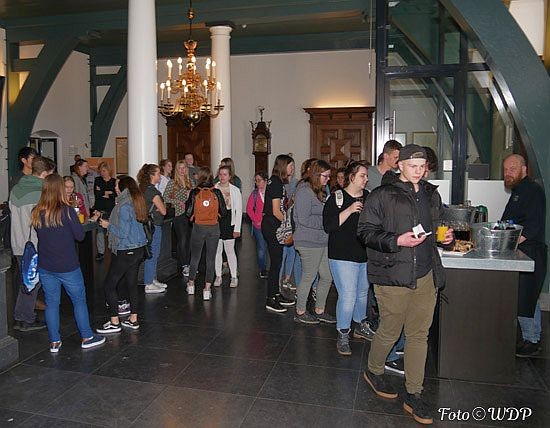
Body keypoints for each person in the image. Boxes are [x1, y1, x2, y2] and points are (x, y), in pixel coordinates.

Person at [357, 144, 453, 425]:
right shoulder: (381, 195)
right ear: (399, 165)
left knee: (418, 335)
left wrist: (440, 236)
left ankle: (414, 393)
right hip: (392, 276)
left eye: (422, 166)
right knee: (389, 329)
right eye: (413, 166)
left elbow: (431, 229)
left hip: (425, 275)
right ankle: (374, 370)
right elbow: (365, 232)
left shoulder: (430, 194)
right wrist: (396, 240)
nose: (419, 171)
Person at [31, 174, 105, 352]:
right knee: (79, 301)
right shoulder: (67, 211)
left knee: (51, 302)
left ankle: (54, 341)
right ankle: (87, 336)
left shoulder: (37, 211)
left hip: (46, 266)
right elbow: (80, 236)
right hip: (67, 265)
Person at [323, 162, 373, 354]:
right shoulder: (336, 197)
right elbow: (329, 226)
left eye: (366, 176)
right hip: (342, 254)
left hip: (363, 253)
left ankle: (360, 325)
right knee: (348, 295)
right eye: (362, 175)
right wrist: (350, 210)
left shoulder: (369, 197)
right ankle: (343, 333)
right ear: (351, 177)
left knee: (362, 293)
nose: (366, 179)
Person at [501, 154, 547, 357]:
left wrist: (510, 240)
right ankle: (529, 336)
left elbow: (532, 226)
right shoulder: (518, 191)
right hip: (520, 251)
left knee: (528, 296)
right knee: (524, 296)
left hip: (531, 251)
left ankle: (532, 339)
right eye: (505, 170)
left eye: (512, 169)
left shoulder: (532, 191)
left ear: (524, 169)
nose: (507, 173)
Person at [95, 176, 148, 334]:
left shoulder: (124, 206)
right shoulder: (137, 201)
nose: (115, 188)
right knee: (132, 284)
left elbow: (123, 233)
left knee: (109, 285)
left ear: (124, 187)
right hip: (139, 249)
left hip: (126, 250)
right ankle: (133, 319)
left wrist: (107, 225)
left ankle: (114, 321)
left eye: (117, 185)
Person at [10, 156, 56, 331]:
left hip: (18, 242)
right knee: (33, 282)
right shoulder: (42, 193)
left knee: (27, 281)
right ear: (44, 173)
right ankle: (25, 319)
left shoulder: (15, 189)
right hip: (35, 244)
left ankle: (22, 316)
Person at [293, 159, 335, 324]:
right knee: (309, 277)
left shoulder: (319, 190)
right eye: (325, 176)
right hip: (308, 241)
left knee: (326, 276)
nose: (327, 179)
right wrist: (325, 223)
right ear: (316, 175)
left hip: (321, 240)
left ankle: (319, 310)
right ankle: (300, 311)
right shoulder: (304, 191)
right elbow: (303, 219)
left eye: (328, 176)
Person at [185, 167, 228, 300]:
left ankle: (191, 284)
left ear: (200, 177)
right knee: (210, 259)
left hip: (198, 227)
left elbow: (188, 212)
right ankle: (207, 289)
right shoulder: (217, 192)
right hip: (213, 228)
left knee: (195, 257)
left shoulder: (194, 192)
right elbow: (224, 212)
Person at [262, 154, 297, 313]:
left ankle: (276, 293)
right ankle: (271, 298)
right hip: (272, 227)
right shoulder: (276, 183)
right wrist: (287, 225)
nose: (293, 168)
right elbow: (276, 211)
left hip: (273, 225)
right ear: (283, 166)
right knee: (276, 264)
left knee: (277, 262)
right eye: (290, 165)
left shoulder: (277, 182)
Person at [137, 163, 167, 294]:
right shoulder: (152, 192)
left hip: (146, 225)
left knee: (152, 253)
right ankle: (149, 283)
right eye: (158, 173)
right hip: (154, 226)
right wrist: (159, 207)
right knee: (153, 254)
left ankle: (152, 279)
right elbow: (164, 210)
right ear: (152, 175)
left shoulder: (142, 189)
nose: (160, 175)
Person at [213, 165, 242, 287]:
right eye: (220, 174)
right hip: (216, 221)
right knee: (217, 251)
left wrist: (237, 228)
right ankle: (218, 275)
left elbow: (239, 210)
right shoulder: (214, 188)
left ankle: (234, 276)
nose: (222, 177)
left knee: (230, 251)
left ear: (230, 176)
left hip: (229, 221)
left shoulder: (235, 190)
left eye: (225, 174)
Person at [164, 160, 193, 277]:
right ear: (176, 170)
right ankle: (184, 264)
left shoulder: (190, 182)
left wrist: (190, 195)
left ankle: (190, 263)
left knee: (190, 239)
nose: (182, 170)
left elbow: (195, 195)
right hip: (178, 213)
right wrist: (178, 202)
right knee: (182, 239)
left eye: (184, 168)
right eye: (179, 168)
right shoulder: (172, 183)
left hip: (190, 213)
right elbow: (165, 197)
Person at [246, 172, 269, 279]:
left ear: (265, 181)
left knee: (270, 247)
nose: (257, 182)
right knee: (261, 248)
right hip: (258, 225)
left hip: (270, 224)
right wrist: (256, 220)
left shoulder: (271, 193)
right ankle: (263, 268)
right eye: (256, 180)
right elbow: (249, 209)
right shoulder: (254, 194)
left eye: (259, 180)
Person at [93, 162, 116, 262]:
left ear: (109, 171)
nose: (102, 173)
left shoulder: (114, 181)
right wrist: (108, 192)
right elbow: (97, 193)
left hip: (110, 209)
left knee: (111, 230)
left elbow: (115, 194)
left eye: (104, 171)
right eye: (100, 171)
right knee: (100, 231)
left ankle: (113, 250)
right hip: (99, 209)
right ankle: (101, 252)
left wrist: (104, 192)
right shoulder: (97, 180)